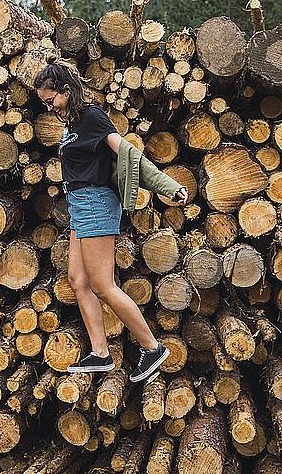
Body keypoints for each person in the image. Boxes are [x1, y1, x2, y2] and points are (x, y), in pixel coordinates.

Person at [34, 57, 188, 383]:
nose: (50, 108)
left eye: (52, 100)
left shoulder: (91, 117)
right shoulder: (73, 124)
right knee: (78, 280)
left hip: (96, 203)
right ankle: (100, 353)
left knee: (103, 285)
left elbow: (129, 154)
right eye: (45, 103)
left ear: (66, 90)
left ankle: (152, 348)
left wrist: (167, 186)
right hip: (79, 205)